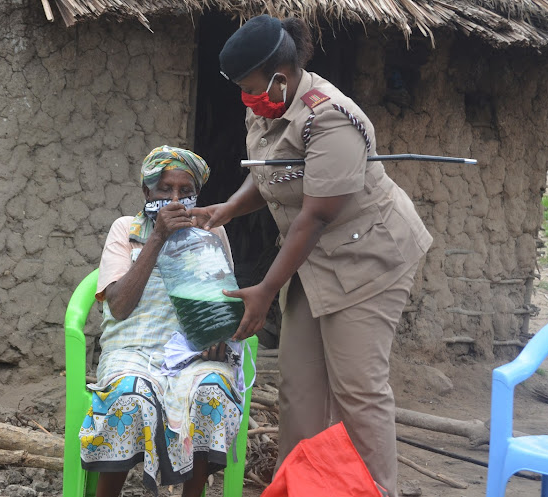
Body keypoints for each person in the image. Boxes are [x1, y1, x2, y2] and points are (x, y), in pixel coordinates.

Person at [192, 15, 433, 497]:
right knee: (299, 389)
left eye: (252, 86)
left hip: (369, 258)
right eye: (241, 88)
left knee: (357, 392)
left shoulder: (330, 119)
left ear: (281, 75)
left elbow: (315, 215)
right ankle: (297, 486)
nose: (247, 97)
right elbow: (270, 172)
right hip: (315, 262)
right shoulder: (266, 106)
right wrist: (230, 207)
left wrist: (265, 290)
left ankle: (372, 489)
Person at [80, 146, 243, 497]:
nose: (175, 199)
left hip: (191, 352)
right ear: (146, 193)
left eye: (186, 192)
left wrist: (220, 335)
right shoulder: (127, 229)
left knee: (210, 391)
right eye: (165, 190)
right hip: (132, 350)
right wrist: (158, 238)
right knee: (129, 396)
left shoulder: (209, 230)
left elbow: (224, 300)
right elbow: (119, 306)